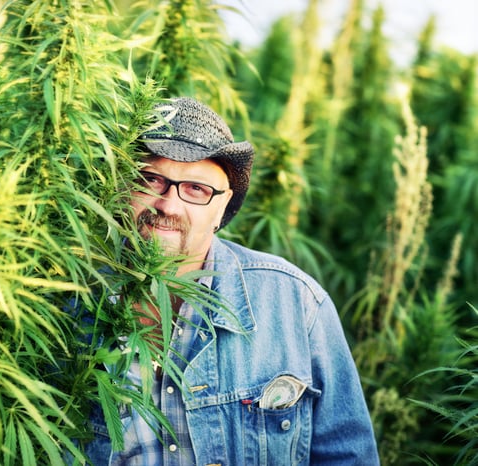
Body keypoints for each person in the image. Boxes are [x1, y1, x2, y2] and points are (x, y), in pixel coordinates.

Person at [81, 97, 380, 465]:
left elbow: (346, 456)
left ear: (224, 206)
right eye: (151, 179)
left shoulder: (295, 303)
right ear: (121, 186)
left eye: (196, 189)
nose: (168, 206)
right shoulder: (68, 302)